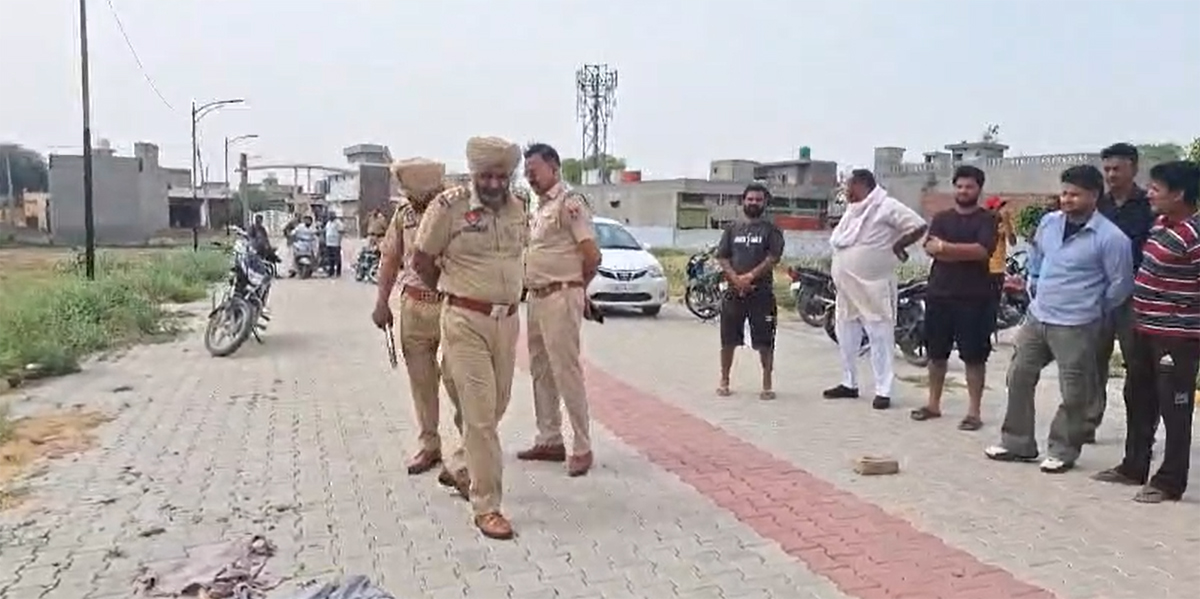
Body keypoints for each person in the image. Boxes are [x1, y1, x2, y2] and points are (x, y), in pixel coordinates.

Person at [412, 136, 527, 540]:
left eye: (502, 176)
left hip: (507, 322)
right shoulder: (449, 207)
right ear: (474, 173)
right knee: (480, 417)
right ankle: (486, 506)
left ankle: (461, 464)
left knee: (497, 406)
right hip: (465, 321)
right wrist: (455, 293)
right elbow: (421, 260)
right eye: (487, 176)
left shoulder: (519, 208)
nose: (494, 184)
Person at [985, 165, 1133, 474]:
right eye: (1064, 193)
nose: (1066, 199)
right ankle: (1017, 442)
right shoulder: (1049, 223)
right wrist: (1035, 284)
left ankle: (1063, 449)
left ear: (1094, 196)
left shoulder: (1111, 238)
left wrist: (1094, 308)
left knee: (1075, 390)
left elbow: (1120, 285)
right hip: (1038, 317)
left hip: (1077, 323)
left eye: (1075, 194)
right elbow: (1038, 258)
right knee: (1019, 376)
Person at [1092, 160, 1200, 503]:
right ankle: (1133, 465)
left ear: (1179, 194)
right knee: (1137, 396)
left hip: (1177, 337)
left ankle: (1170, 480)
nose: (1149, 194)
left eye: (1156, 188)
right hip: (1144, 328)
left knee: (1174, 407)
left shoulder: (1195, 235)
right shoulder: (1160, 225)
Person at [371, 158, 465, 482]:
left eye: (408, 188)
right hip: (413, 305)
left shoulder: (457, 210)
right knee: (421, 381)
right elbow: (390, 258)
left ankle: (470, 445)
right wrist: (381, 302)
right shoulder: (404, 215)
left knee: (458, 379)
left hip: (450, 305)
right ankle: (429, 444)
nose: (405, 194)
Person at [516, 143, 602, 476]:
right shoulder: (540, 209)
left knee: (566, 371)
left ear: (553, 168)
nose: (529, 177)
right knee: (541, 370)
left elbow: (592, 255)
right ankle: (549, 438)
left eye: (534, 170)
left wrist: (577, 288)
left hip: (561, 296)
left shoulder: (570, 203)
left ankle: (582, 446)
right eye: (526, 172)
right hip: (537, 298)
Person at [823, 169, 927, 409]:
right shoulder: (853, 210)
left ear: (860, 185)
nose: (845, 190)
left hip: (873, 286)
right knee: (845, 334)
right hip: (847, 288)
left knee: (880, 335)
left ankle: (883, 390)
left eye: (848, 185)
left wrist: (899, 246)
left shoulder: (886, 206)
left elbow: (918, 226)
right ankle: (849, 383)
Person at [910, 166, 998, 430]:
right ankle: (933, 404)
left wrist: (946, 248)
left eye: (969, 186)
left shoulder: (988, 220)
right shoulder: (942, 218)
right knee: (936, 354)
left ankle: (974, 412)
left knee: (974, 357)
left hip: (974, 298)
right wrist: (956, 252)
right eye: (959, 186)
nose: (963, 191)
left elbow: (982, 251)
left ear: (979, 189)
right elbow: (929, 248)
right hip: (939, 294)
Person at [1088, 143, 1155, 442]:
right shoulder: (1097, 206)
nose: (1111, 175)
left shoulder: (1148, 206)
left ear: (1134, 169)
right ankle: (1088, 422)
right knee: (1092, 361)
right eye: (1107, 169)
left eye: (1117, 168)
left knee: (1137, 364)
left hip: (1136, 296)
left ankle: (1139, 430)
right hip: (1099, 294)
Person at [714, 182, 786, 400]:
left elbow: (773, 257)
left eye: (758, 200)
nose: (754, 203)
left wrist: (750, 277)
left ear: (765, 203)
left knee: (765, 341)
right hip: (734, 292)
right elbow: (722, 256)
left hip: (761, 294)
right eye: (750, 199)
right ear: (743, 201)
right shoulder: (732, 228)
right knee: (728, 340)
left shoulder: (771, 230)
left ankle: (767, 384)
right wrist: (736, 279)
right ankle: (724, 380)